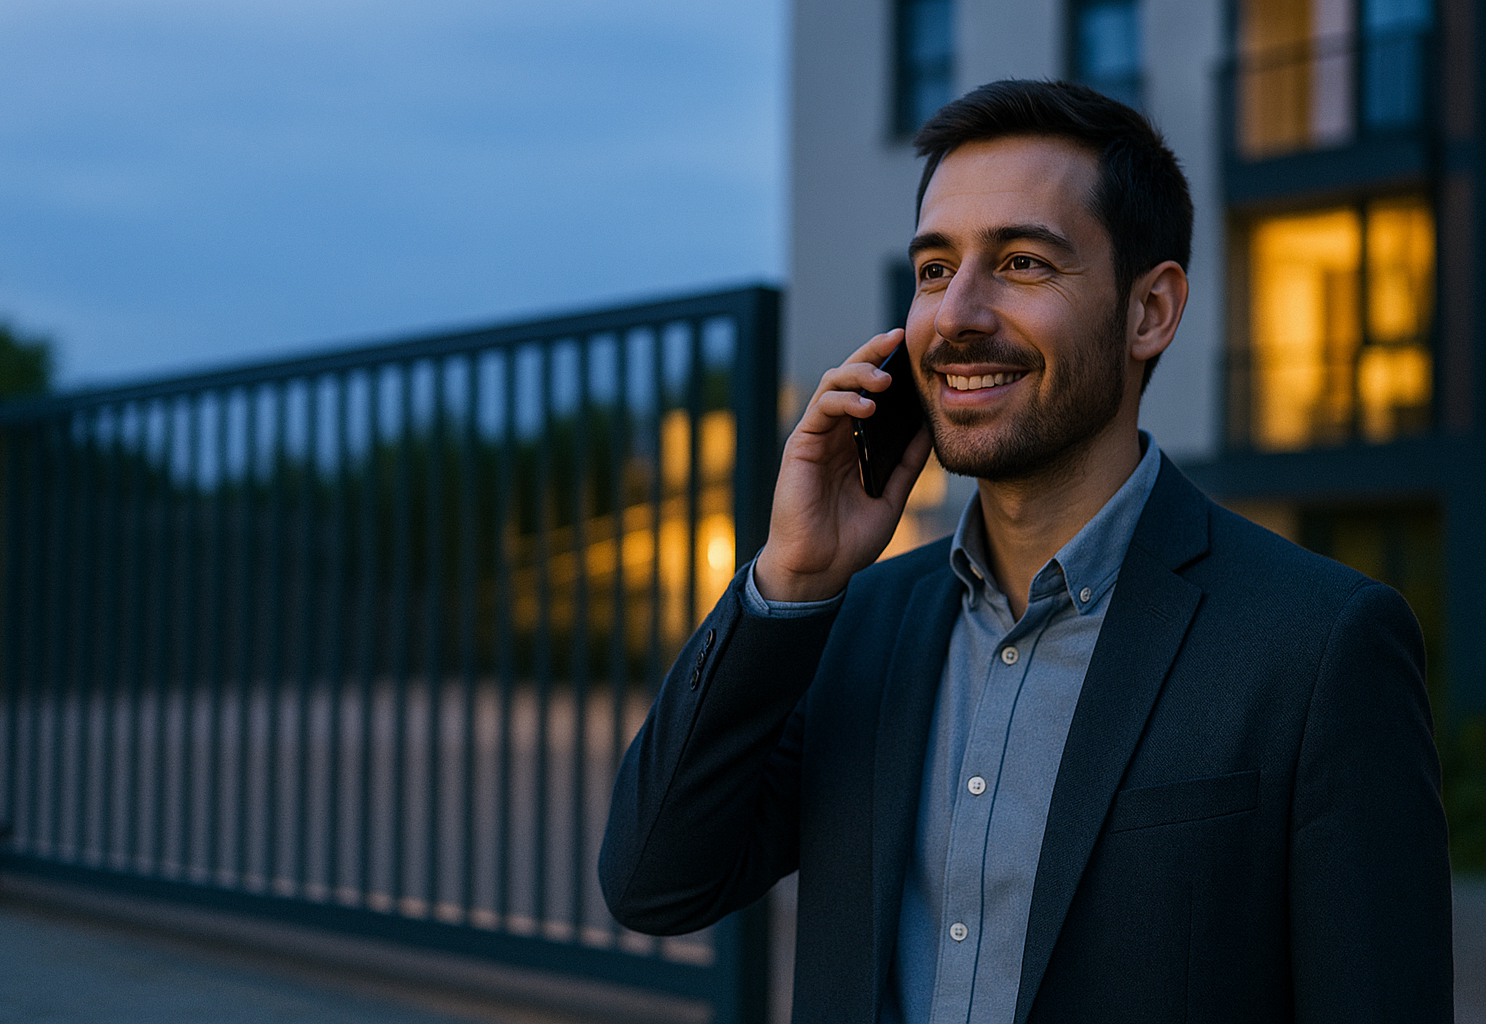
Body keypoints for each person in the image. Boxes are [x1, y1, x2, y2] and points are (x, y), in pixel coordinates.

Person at [599, 79, 1453, 1023]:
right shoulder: (861, 623)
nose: (956, 314)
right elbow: (655, 885)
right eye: (933, 269)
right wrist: (790, 577)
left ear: (1150, 312)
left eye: (1020, 264)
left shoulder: (1318, 643)